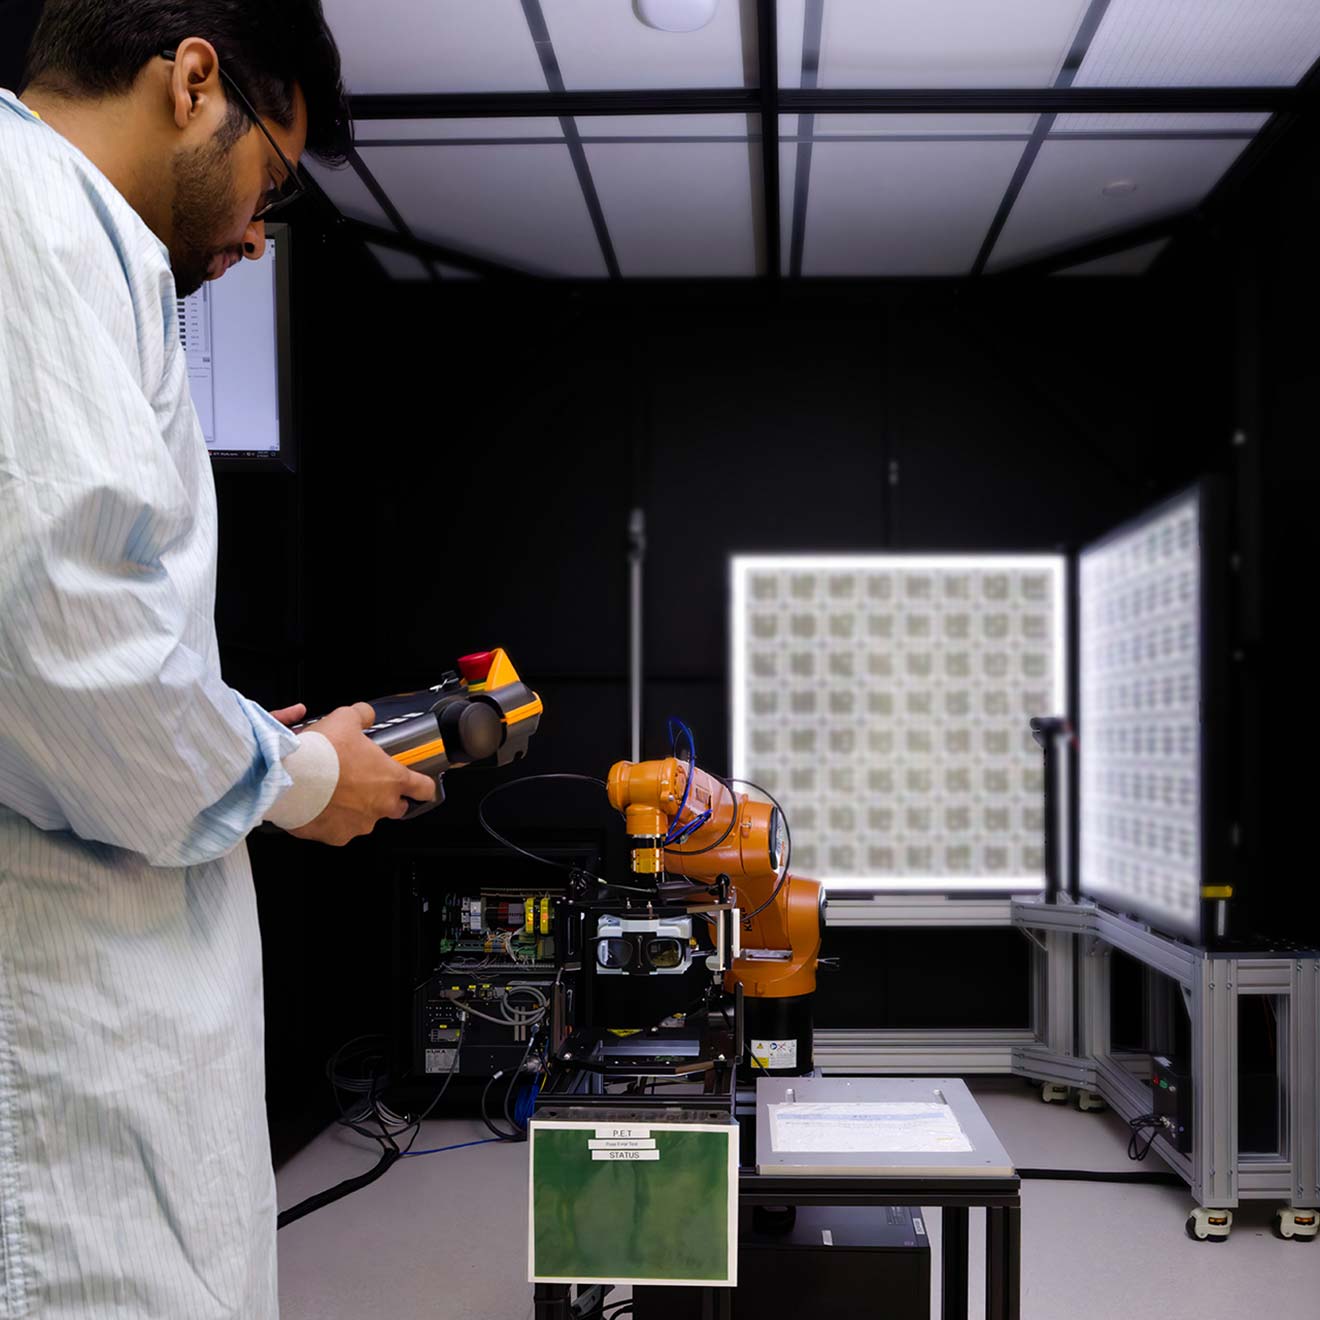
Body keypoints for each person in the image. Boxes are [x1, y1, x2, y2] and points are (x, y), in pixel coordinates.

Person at [0, 4, 433, 1315]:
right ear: (194, 83)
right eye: (273, 182)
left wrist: (222, 717)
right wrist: (304, 774)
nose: (257, 231)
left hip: (110, 996)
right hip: (68, 1052)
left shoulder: (78, 242)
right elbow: (58, 639)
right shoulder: (34, 222)